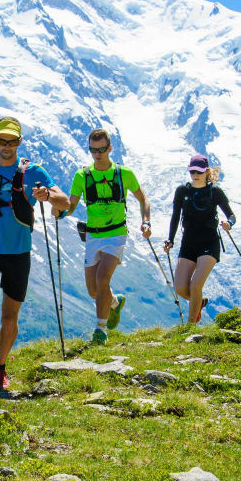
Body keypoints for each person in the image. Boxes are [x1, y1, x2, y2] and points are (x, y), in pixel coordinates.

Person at [0, 116, 70, 389]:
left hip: (19, 253)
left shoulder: (35, 172)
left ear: (20, 142)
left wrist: (47, 195)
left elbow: (64, 201)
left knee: (10, 314)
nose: (6, 146)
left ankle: (1, 367)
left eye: (11, 141)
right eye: (1, 141)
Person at [59, 128, 151, 344]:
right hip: (93, 236)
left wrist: (146, 221)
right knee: (94, 290)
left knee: (102, 279)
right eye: (93, 150)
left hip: (116, 235)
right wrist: (61, 211)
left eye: (101, 149)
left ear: (110, 148)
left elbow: (143, 199)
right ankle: (115, 303)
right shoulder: (82, 176)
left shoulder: (124, 174)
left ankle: (100, 331)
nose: (97, 154)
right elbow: (71, 205)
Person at [164, 154, 236, 323]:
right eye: (192, 171)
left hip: (209, 242)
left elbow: (231, 215)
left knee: (196, 284)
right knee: (181, 288)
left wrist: (229, 223)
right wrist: (170, 239)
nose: (195, 175)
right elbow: (175, 216)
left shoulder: (215, 192)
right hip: (188, 243)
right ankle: (199, 302)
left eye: (199, 171)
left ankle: (190, 327)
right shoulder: (183, 191)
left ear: (206, 172)